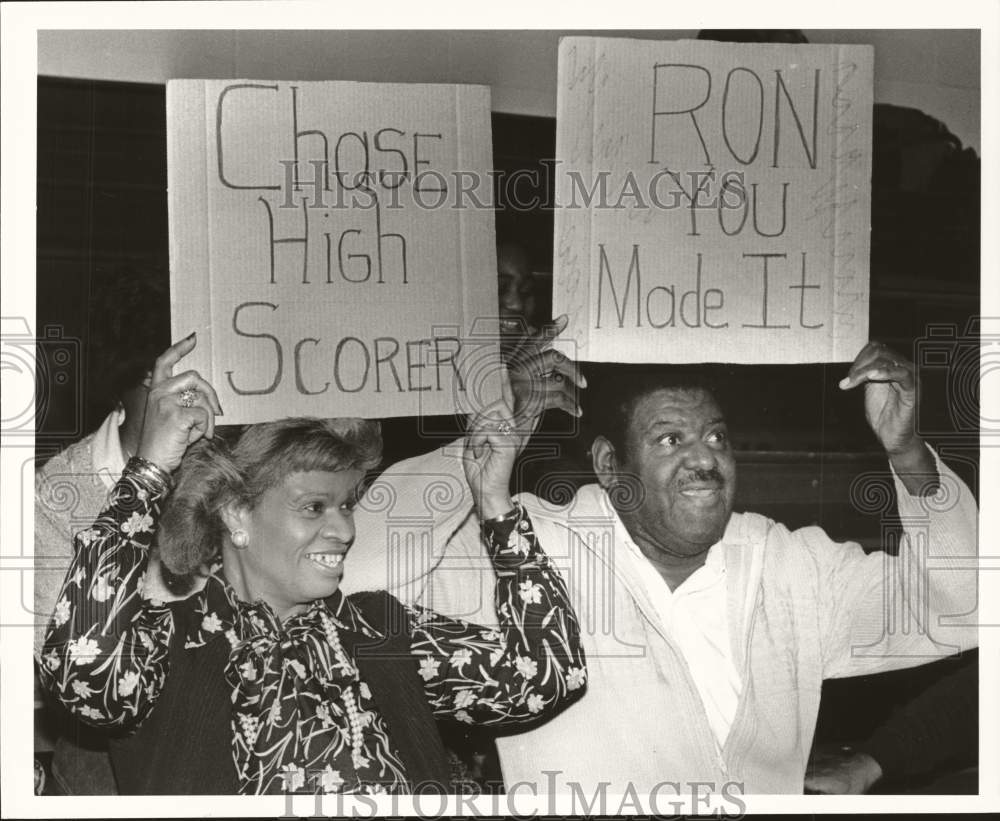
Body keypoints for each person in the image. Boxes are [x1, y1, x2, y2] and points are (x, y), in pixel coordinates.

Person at [344, 340, 978, 794]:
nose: (705, 459)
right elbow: (358, 569)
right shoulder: (526, 546)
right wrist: (484, 445)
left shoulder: (789, 565)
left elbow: (964, 608)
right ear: (608, 465)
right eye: (671, 439)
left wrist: (908, 453)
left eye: (717, 437)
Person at [36, 335, 586, 795]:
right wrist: (150, 469)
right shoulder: (167, 646)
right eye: (314, 507)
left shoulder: (378, 629)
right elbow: (83, 669)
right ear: (236, 514)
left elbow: (545, 675)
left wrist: (494, 502)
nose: (344, 530)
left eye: (347, 504)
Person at [34, 264, 170, 795]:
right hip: (110, 754)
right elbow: (74, 668)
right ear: (146, 375)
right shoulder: (56, 494)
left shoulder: (237, 468)